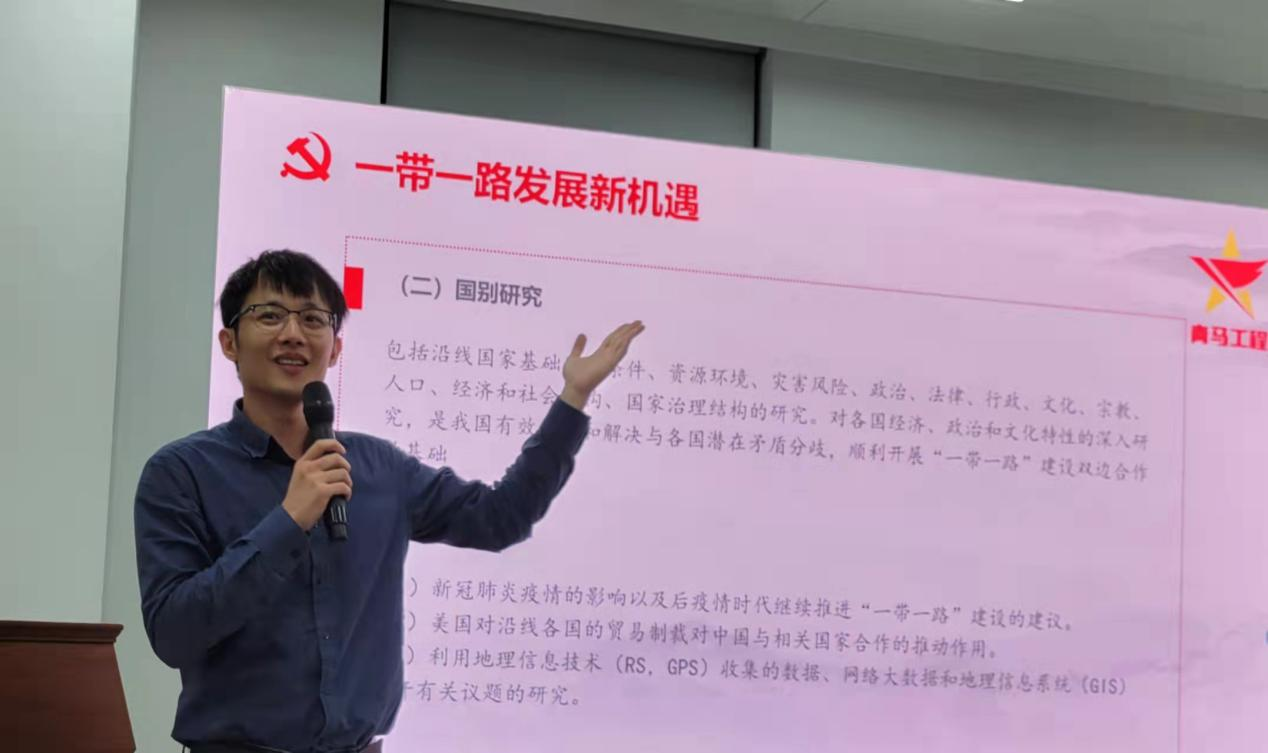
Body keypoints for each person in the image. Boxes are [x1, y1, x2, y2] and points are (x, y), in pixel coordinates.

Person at [134, 249, 643, 753]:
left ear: (335, 349)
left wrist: (573, 399)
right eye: (270, 316)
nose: (293, 334)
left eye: (313, 319)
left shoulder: (380, 468)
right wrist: (288, 520)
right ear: (229, 343)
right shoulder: (181, 473)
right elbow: (174, 633)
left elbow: (500, 518)